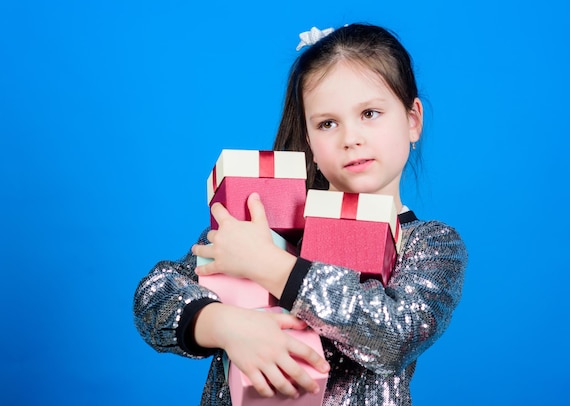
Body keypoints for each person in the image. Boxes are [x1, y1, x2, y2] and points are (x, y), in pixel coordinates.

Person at [134, 23, 467, 405]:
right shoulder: (264, 217)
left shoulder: (431, 244)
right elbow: (154, 296)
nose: (350, 138)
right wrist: (224, 324)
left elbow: (395, 335)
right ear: (309, 138)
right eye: (328, 123)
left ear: (412, 120)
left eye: (370, 113)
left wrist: (270, 266)